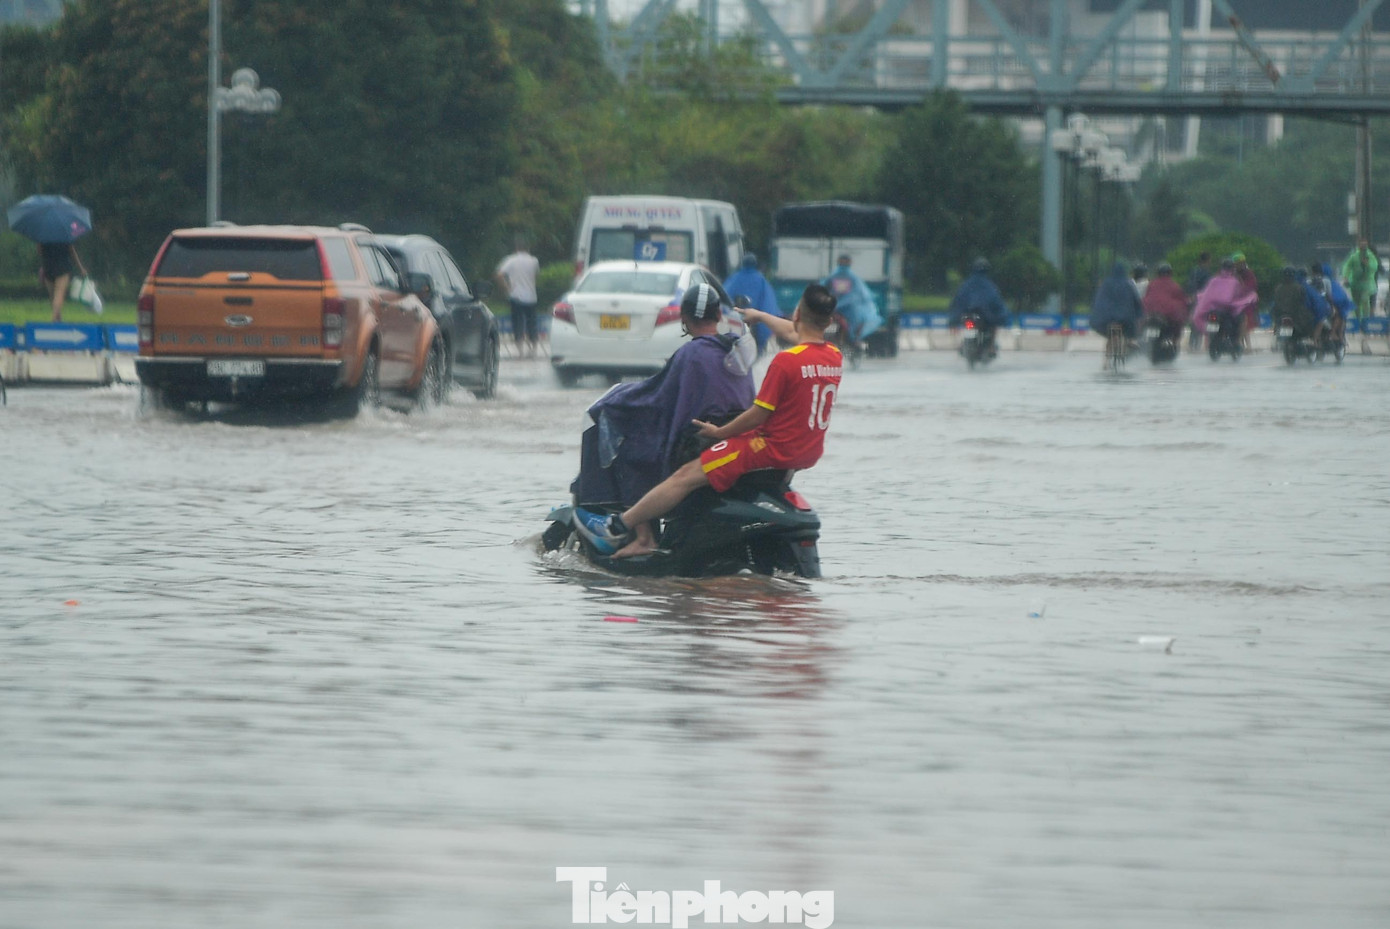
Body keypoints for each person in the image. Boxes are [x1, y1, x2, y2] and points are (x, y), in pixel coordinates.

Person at [576, 283, 842, 559]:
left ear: (796, 314)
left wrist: (719, 432)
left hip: (768, 447)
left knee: (683, 475)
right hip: (806, 451)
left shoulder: (785, 361)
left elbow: (757, 414)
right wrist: (760, 316)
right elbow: (792, 334)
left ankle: (621, 527)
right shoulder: (832, 356)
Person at [570, 283, 756, 555]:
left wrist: (616, 401)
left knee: (630, 448)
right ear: (718, 315)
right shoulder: (737, 353)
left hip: (697, 444)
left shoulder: (690, 354)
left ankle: (644, 537)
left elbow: (656, 399)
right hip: (734, 439)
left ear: (684, 319)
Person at [947, 257, 1010, 357]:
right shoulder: (989, 286)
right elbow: (997, 304)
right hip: (985, 318)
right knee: (994, 326)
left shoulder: (966, 285)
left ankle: (963, 345)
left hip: (968, 317)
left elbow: (957, 302)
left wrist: (953, 320)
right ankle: (991, 348)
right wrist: (1003, 318)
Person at [723, 252, 783, 356]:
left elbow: (724, 296)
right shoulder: (761, 280)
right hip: (756, 322)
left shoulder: (734, 278)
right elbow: (769, 303)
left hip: (736, 319)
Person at [821, 254, 882, 349]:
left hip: (834, 308)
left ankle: (854, 340)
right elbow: (862, 294)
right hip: (845, 309)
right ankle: (855, 341)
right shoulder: (852, 278)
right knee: (858, 322)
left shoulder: (833, 276)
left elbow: (821, 289)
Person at [495, 235, 541, 357]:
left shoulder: (511, 260)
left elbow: (499, 274)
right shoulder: (534, 261)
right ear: (527, 248)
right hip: (531, 296)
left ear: (516, 248)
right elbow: (536, 276)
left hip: (516, 296)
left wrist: (507, 288)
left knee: (518, 322)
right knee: (532, 322)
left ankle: (520, 350)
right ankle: (533, 349)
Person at [1192, 258, 1256, 344]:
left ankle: (1207, 345)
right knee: (1241, 319)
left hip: (1213, 310)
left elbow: (1207, 294)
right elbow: (1239, 294)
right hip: (1227, 311)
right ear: (1233, 268)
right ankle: (1237, 342)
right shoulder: (1235, 281)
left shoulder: (1214, 280)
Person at [1089, 262, 1144, 352]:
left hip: (1106, 319)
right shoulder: (1128, 284)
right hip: (1124, 319)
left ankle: (1107, 358)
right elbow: (1136, 301)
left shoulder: (1105, 284)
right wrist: (1139, 313)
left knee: (1108, 334)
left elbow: (1098, 300)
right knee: (1132, 327)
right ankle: (1131, 340)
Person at [1141, 262, 1187, 349]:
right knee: (1177, 325)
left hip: (1151, 315)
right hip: (1167, 317)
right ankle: (1173, 342)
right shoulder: (1174, 286)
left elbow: (1146, 299)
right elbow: (1182, 302)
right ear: (1170, 273)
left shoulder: (1152, 284)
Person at [39, 241, 87, 322]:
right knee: (59, 294)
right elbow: (72, 251)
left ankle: (58, 319)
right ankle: (54, 319)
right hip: (62, 267)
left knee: (52, 296)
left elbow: (40, 251)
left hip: (48, 267)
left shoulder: (43, 234)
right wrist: (81, 268)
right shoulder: (64, 233)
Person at [1271, 266, 1316, 345]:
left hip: (1280, 313)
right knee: (1310, 319)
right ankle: (1310, 338)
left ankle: (1278, 339)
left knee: (1276, 322)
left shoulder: (1278, 288)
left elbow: (1275, 301)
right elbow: (1303, 301)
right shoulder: (1299, 287)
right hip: (1295, 314)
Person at [1310, 262, 1349, 351]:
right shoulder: (1328, 281)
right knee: (1340, 314)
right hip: (1324, 308)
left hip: (1312, 308)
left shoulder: (1309, 281)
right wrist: (1333, 305)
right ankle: (1334, 333)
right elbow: (1329, 296)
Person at [1339, 238, 1380, 321]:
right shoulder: (1354, 256)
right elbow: (1347, 267)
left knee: (1365, 300)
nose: (1363, 246)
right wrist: (1345, 277)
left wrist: (1367, 265)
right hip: (1355, 283)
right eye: (1362, 244)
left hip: (1367, 283)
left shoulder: (1370, 256)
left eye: (1365, 244)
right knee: (1356, 303)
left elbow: (1375, 266)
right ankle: (1357, 319)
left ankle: (1366, 319)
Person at [1183, 251, 1213, 350]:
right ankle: (1199, 345)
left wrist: (1190, 296)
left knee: (1194, 323)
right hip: (1203, 301)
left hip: (1192, 299)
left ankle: (1193, 345)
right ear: (1207, 261)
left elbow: (1189, 284)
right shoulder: (1207, 273)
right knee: (1202, 322)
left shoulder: (1194, 271)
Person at [1231, 251, 1258, 348]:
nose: (1238, 265)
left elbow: (1251, 287)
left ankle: (1247, 345)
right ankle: (1243, 345)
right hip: (1234, 303)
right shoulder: (1232, 274)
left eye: (1240, 263)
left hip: (1247, 304)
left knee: (1245, 323)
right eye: (1236, 263)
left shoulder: (1249, 273)